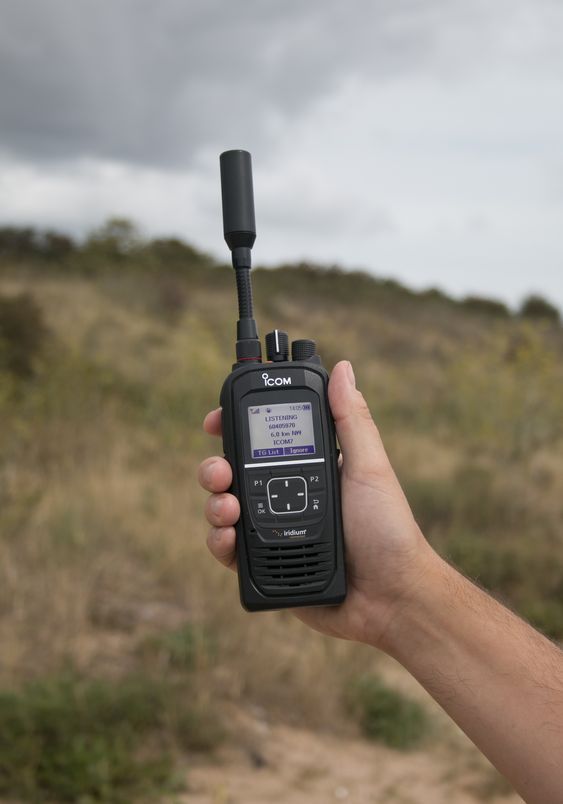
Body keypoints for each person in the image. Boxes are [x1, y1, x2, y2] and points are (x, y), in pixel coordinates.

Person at [198, 360, 563, 804]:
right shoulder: (294, 387)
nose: (282, 437)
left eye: (291, 430)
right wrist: (401, 598)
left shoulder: (267, 387)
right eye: (269, 428)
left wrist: (402, 591)